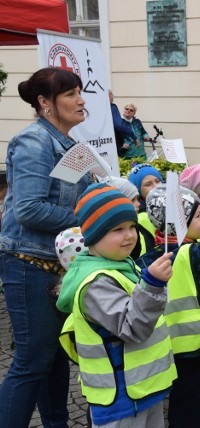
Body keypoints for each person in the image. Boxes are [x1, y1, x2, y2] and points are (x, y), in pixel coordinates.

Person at [0, 67, 93, 427]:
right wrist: (89, 218)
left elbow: (72, 197)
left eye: (79, 92)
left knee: (53, 356)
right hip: (28, 265)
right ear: (44, 103)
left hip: (56, 267)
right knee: (31, 361)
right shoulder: (34, 142)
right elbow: (28, 209)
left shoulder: (67, 143)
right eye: (70, 94)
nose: (80, 100)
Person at [57, 183, 177, 427]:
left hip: (143, 389)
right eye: (117, 229)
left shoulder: (121, 265)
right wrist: (152, 284)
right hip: (121, 400)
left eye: (132, 226)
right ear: (94, 236)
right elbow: (133, 327)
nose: (130, 235)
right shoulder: (95, 283)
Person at [138, 184, 200, 428]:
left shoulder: (151, 254)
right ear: (178, 222)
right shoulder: (188, 254)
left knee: (180, 395)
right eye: (197, 215)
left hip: (167, 340)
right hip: (189, 344)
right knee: (190, 397)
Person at [128, 163, 163, 239]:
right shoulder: (138, 216)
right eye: (148, 184)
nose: (156, 186)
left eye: (157, 181)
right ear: (137, 189)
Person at [108, 90, 135, 157]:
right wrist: (134, 138)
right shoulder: (112, 108)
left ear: (134, 113)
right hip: (116, 149)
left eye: (131, 110)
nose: (128, 111)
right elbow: (119, 126)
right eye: (127, 109)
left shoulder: (136, 122)